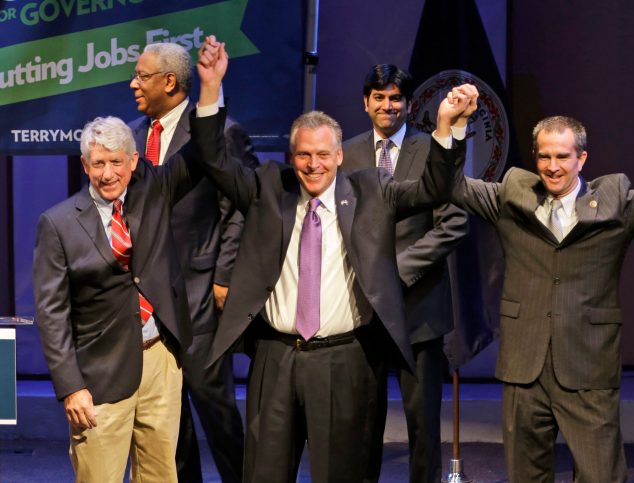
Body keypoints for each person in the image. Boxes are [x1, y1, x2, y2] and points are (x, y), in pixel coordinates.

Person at [193, 37, 477, 483]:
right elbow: (214, 161)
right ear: (291, 157)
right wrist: (211, 89)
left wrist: (447, 128)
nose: (312, 164)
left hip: (345, 361)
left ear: (340, 157)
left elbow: (434, 189)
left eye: (323, 154)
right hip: (276, 358)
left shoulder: (371, 190)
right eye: (303, 154)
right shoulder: (269, 187)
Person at [451, 98, 634, 482]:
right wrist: (454, 130)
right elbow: (451, 185)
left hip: (587, 364)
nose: (552, 166)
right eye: (544, 156)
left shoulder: (614, 202)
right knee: (525, 475)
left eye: (563, 156)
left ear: (582, 159)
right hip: (525, 364)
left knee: (601, 475)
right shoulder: (512, 196)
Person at [32, 114, 205, 482]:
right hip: (99, 373)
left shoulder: (153, 195)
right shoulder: (58, 223)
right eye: (98, 163)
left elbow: (202, 149)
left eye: (115, 162)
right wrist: (71, 387)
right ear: (84, 164)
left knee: (161, 475)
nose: (107, 174)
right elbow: (52, 315)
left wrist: (210, 91)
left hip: (159, 359)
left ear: (133, 160)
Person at [128, 41, 257, 483]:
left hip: (202, 293)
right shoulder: (131, 137)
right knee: (168, 418)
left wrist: (224, 276)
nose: (133, 84)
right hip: (148, 298)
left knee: (213, 405)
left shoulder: (220, 132)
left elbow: (241, 207)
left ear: (169, 81)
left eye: (141, 76)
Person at [343, 64, 468, 483]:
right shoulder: (345, 153)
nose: (387, 105)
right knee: (362, 425)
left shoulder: (433, 148)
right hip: (363, 311)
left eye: (395, 98)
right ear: (366, 102)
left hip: (419, 310)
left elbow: (453, 223)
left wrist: (395, 272)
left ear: (409, 105)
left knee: (423, 426)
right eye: (378, 97)